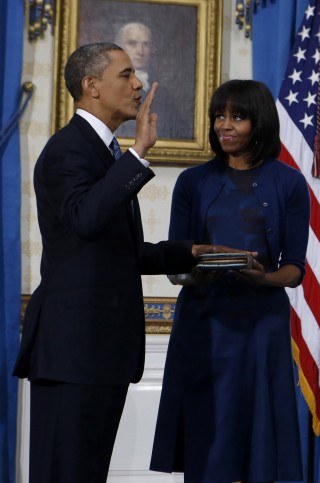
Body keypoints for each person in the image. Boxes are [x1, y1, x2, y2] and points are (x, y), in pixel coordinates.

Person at [12, 42, 226, 483]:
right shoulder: (68, 149)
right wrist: (138, 154)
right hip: (73, 352)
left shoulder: (104, 152)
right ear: (91, 86)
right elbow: (88, 220)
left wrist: (185, 252)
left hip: (99, 353)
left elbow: (111, 252)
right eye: (126, 74)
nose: (138, 83)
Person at [149, 79, 310, 482]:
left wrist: (263, 277)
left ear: (259, 122)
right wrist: (196, 264)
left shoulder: (289, 182)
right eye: (219, 116)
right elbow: (176, 265)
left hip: (262, 324)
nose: (225, 125)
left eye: (237, 116)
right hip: (203, 323)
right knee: (210, 442)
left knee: (260, 442)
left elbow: (294, 268)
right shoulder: (192, 182)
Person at [114, 21, 193, 139]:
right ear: (119, 47)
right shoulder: (111, 88)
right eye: (132, 43)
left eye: (146, 45)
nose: (140, 51)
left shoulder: (163, 93)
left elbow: (181, 132)